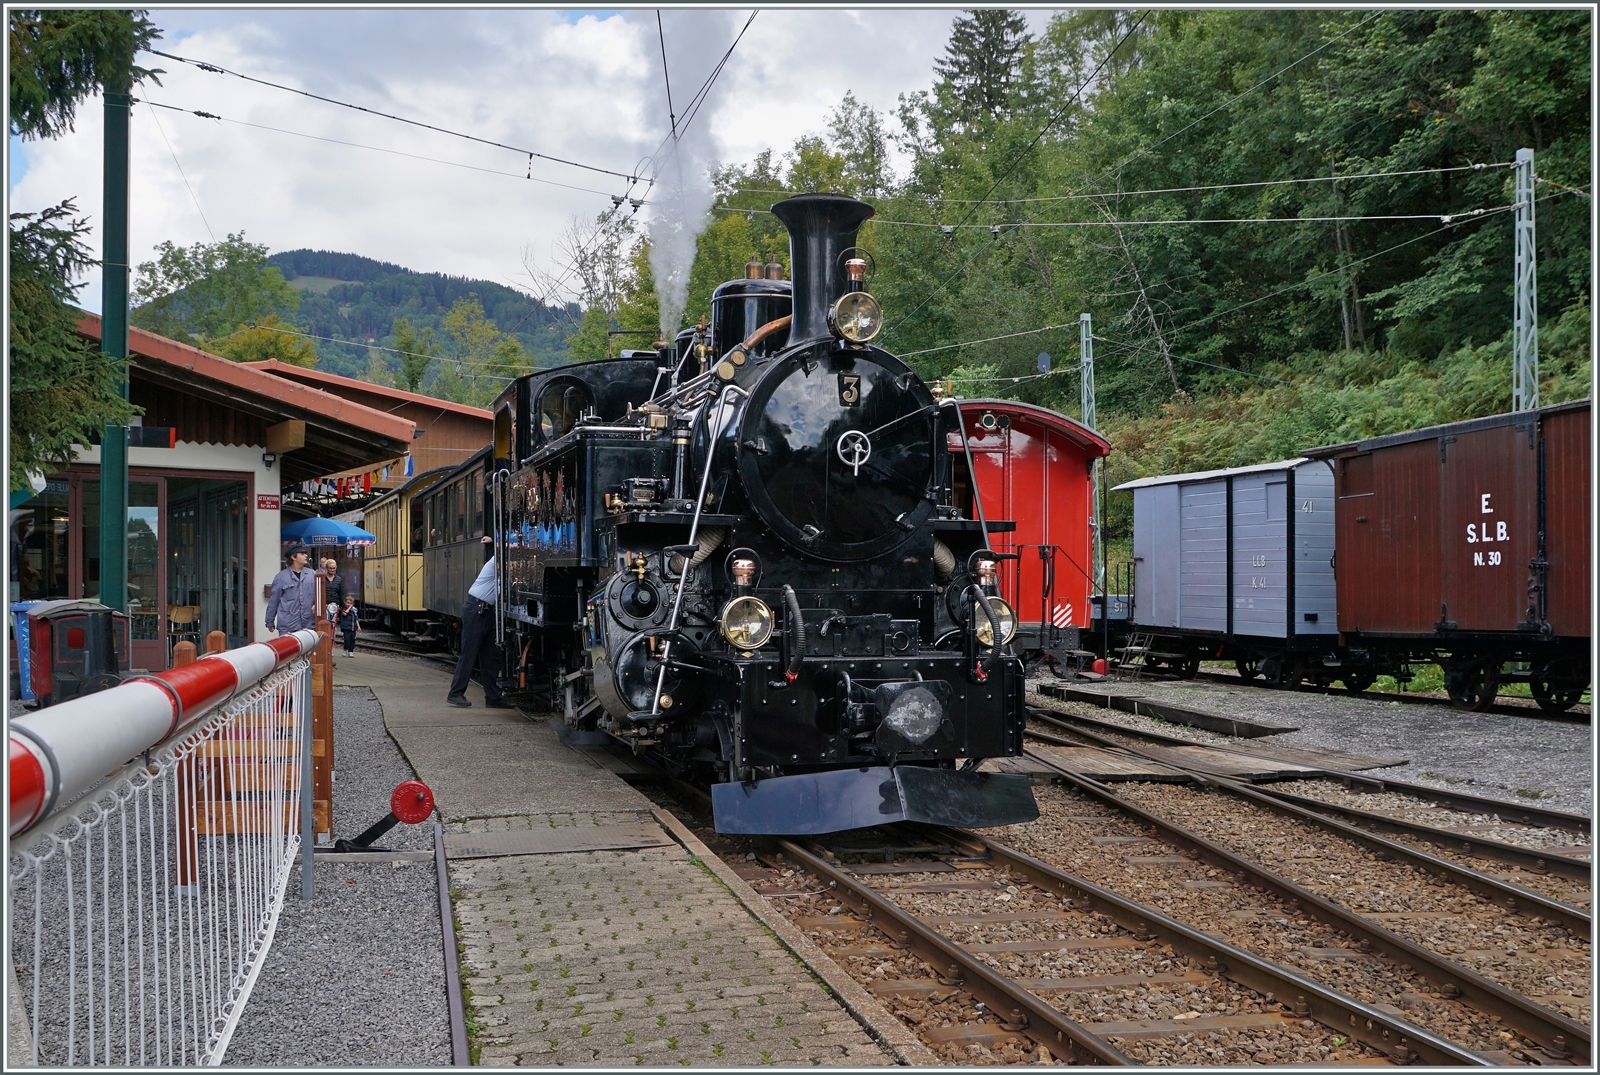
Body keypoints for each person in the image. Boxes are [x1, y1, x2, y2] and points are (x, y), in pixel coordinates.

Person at [447, 536, 510, 709]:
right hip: (477, 608)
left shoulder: (503, 559)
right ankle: (455, 693)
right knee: (469, 652)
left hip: (488, 611)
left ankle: (493, 698)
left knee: (491, 656)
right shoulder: (498, 560)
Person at [265, 546, 318, 635]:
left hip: (308, 624)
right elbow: (274, 601)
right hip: (287, 625)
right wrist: (269, 621)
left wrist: (317, 604)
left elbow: (321, 595)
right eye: (302, 554)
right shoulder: (281, 577)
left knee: (308, 649)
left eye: (306, 553)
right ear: (293, 557)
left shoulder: (312, 574)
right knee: (288, 648)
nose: (306, 555)